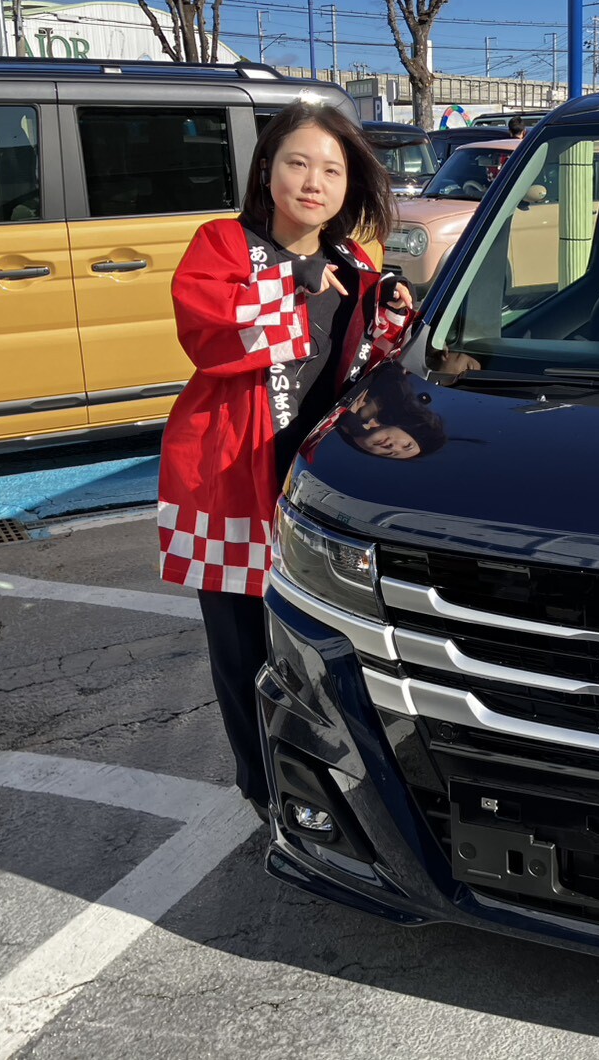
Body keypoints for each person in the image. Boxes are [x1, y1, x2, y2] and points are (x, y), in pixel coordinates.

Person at [156, 99, 427, 820]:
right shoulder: (224, 243)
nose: (313, 182)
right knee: (243, 649)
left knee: (324, 648)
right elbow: (208, 332)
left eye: (332, 170)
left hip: (319, 488)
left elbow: (371, 366)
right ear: (266, 170)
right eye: (298, 163)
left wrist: (393, 311)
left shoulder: (354, 262)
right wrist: (295, 288)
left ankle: (338, 791)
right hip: (232, 480)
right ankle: (265, 792)